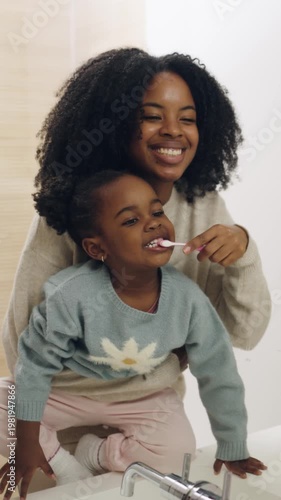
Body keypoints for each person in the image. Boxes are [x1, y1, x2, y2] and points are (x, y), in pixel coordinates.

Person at [0, 48, 270, 468]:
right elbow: (24, 343)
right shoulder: (70, 212)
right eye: (152, 115)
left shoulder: (202, 206)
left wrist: (244, 252)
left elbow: (241, 335)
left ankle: (98, 453)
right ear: (116, 125)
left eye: (187, 118)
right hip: (58, 402)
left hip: (150, 410)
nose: (173, 131)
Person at [0, 172, 267, 499]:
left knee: (177, 451)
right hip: (67, 393)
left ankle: (97, 452)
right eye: (130, 221)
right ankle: (67, 466)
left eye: (157, 213)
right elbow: (34, 365)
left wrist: (232, 443)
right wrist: (26, 443)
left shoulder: (188, 300)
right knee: (7, 407)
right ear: (97, 248)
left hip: (141, 398)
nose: (154, 224)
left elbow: (219, 370)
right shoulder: (73, 296)